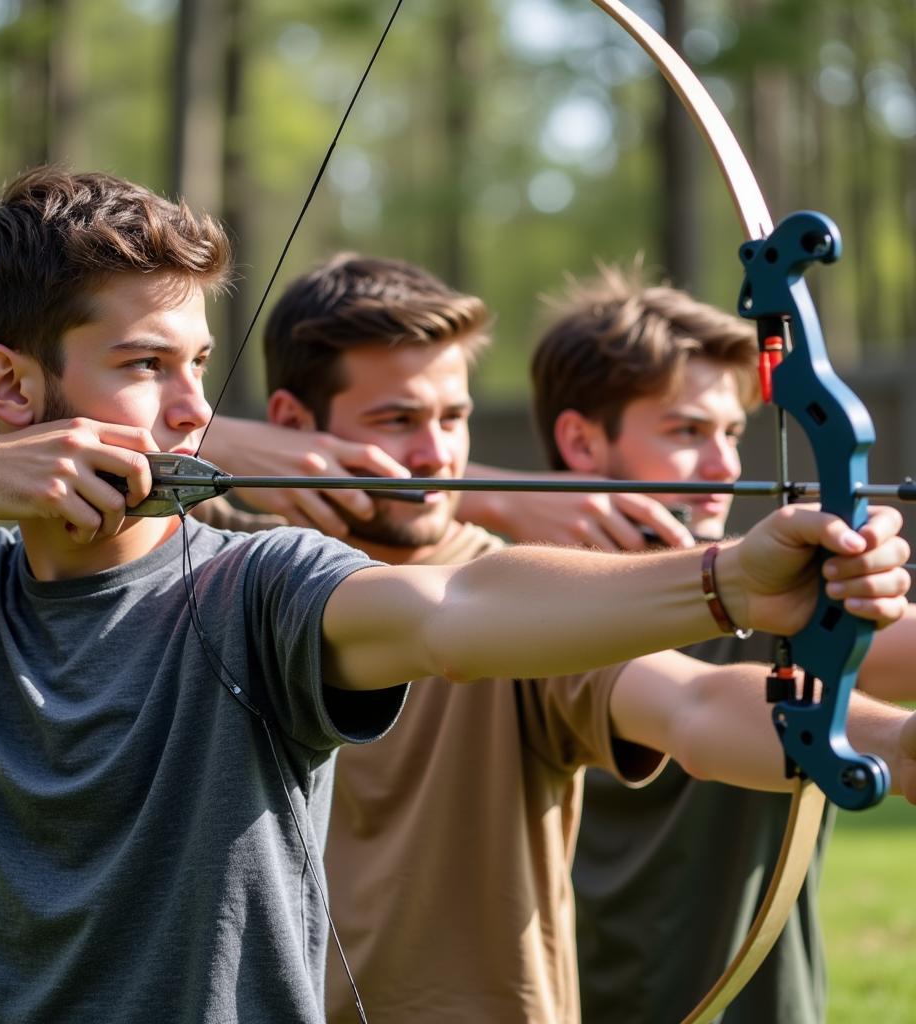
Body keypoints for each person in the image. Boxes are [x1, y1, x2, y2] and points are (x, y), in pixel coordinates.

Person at [0, 171, 909, 1024]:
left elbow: (454, 609)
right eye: (146, 365)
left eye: (199, 361)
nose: (197, 407)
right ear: (12, 388)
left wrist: (728, 581)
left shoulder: (261, 585)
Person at [189, 251, 913, 1024]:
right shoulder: (210, 562)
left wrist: (896, 746)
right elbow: (67, 443)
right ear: (296, 425)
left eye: (454, 417)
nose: (436, 455)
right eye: (398, 421)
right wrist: (215, 440)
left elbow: (694, 704)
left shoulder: (520, 598)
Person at [526, 263, 914, 1024]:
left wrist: (873, 582)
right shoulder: (505, 612)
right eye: (686, 432)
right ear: (578, 439)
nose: (724, 466)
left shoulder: (775, 597)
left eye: (733, 432)